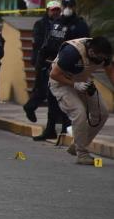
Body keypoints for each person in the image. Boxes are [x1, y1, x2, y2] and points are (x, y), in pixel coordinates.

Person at [49, 36, 114, 165]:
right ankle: (82, 154)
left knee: (102, 113)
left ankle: (78, 144)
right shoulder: (72, 53)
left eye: (103, 58)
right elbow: (54, 74)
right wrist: (74, 85)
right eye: (99, 57)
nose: (100, 60)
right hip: (62, 83)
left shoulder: (104, 54)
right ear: (91, 51)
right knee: (79, 112)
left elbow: (110, 72)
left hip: (83, 80)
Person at [33, 0, 89, 141]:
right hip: (52, 66)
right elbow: (47, 43)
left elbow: (84, 47)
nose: (68, 8)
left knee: (67, 101)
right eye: (66, 5)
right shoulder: (56, 23)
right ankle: (50, 130)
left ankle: (66, 129)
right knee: (52, 100)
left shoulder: (80, 25)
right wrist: (40, 63)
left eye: (70, 5)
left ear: (75, 7)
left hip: (70, 68)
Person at [23, 0, 62, 122]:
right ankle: (30, 107)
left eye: (57, 10)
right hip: (43, 60)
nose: (55, 12)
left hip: (55, 60)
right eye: (53, 10)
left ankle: (58, 116)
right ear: (47, 11)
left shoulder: (60, 24)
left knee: (54, 88)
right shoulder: (40, 24)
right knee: (42, 88)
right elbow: (38, 43)